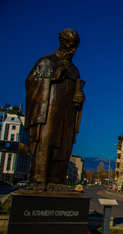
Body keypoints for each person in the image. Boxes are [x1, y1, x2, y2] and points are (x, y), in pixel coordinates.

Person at [25, 29, 85, 186]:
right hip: (48, 112)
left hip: (67, 115)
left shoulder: (74, 70)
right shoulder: (46, 62)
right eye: (69, 44)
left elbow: (77, 93)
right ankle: (38, 181)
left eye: (74, 46)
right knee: (46, 143)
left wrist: (79, 98)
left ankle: (56, 181)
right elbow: (31, 84)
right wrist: (51, 77)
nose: (72, 49)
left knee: (63, 147)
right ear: (62, 42)